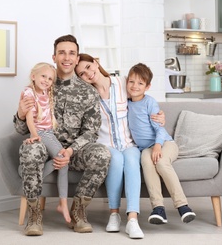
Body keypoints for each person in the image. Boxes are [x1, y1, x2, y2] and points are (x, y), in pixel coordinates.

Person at [14, 35, 111, 236]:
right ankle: (34, 216)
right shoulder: (42, 83)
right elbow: (22, 131)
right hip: (44, 147)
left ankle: (79, 211)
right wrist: (20, 115)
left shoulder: (88, 92)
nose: (66, 57)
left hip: (73, 152)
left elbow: (91, 132)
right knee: (30, 149)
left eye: (71, 53)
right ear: (54, 56)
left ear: (77, 59)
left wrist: (70, 150)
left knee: (102, 154)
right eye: (62, 53)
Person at [75, 54, 165, 239]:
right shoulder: (87, 96)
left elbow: (143, 99)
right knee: (115, 160)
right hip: (105, 145)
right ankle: (114, 215)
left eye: (89, 67)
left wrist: (159, 116)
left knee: (132, 160)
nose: (88, 74)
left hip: (128, 143)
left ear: (96, 63)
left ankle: (132, 219)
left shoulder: (123, 83)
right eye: (82, 74)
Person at [126, 63, 196, 225]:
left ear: (147, 86)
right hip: (145, 149)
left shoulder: (149, 103)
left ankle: (183, 206)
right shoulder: (126, 103)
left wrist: (158, 145)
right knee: (147, 163)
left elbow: (159, 128)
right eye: (131, 81)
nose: (134, 86)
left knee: (162, 163)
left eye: (140, 83)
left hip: (165, 143)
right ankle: (158, 209)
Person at [21, 62, 70, 226]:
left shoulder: (48, 92)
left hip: (50, 133)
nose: (47, 80)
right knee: (63, 159)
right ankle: (62, 204)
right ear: (33, 76)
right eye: (43, 76)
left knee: (63, 161)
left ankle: (29, 175)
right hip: (41, 134)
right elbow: (29, 117)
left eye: (50, 78)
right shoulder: (29, 92)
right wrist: (35, 135)